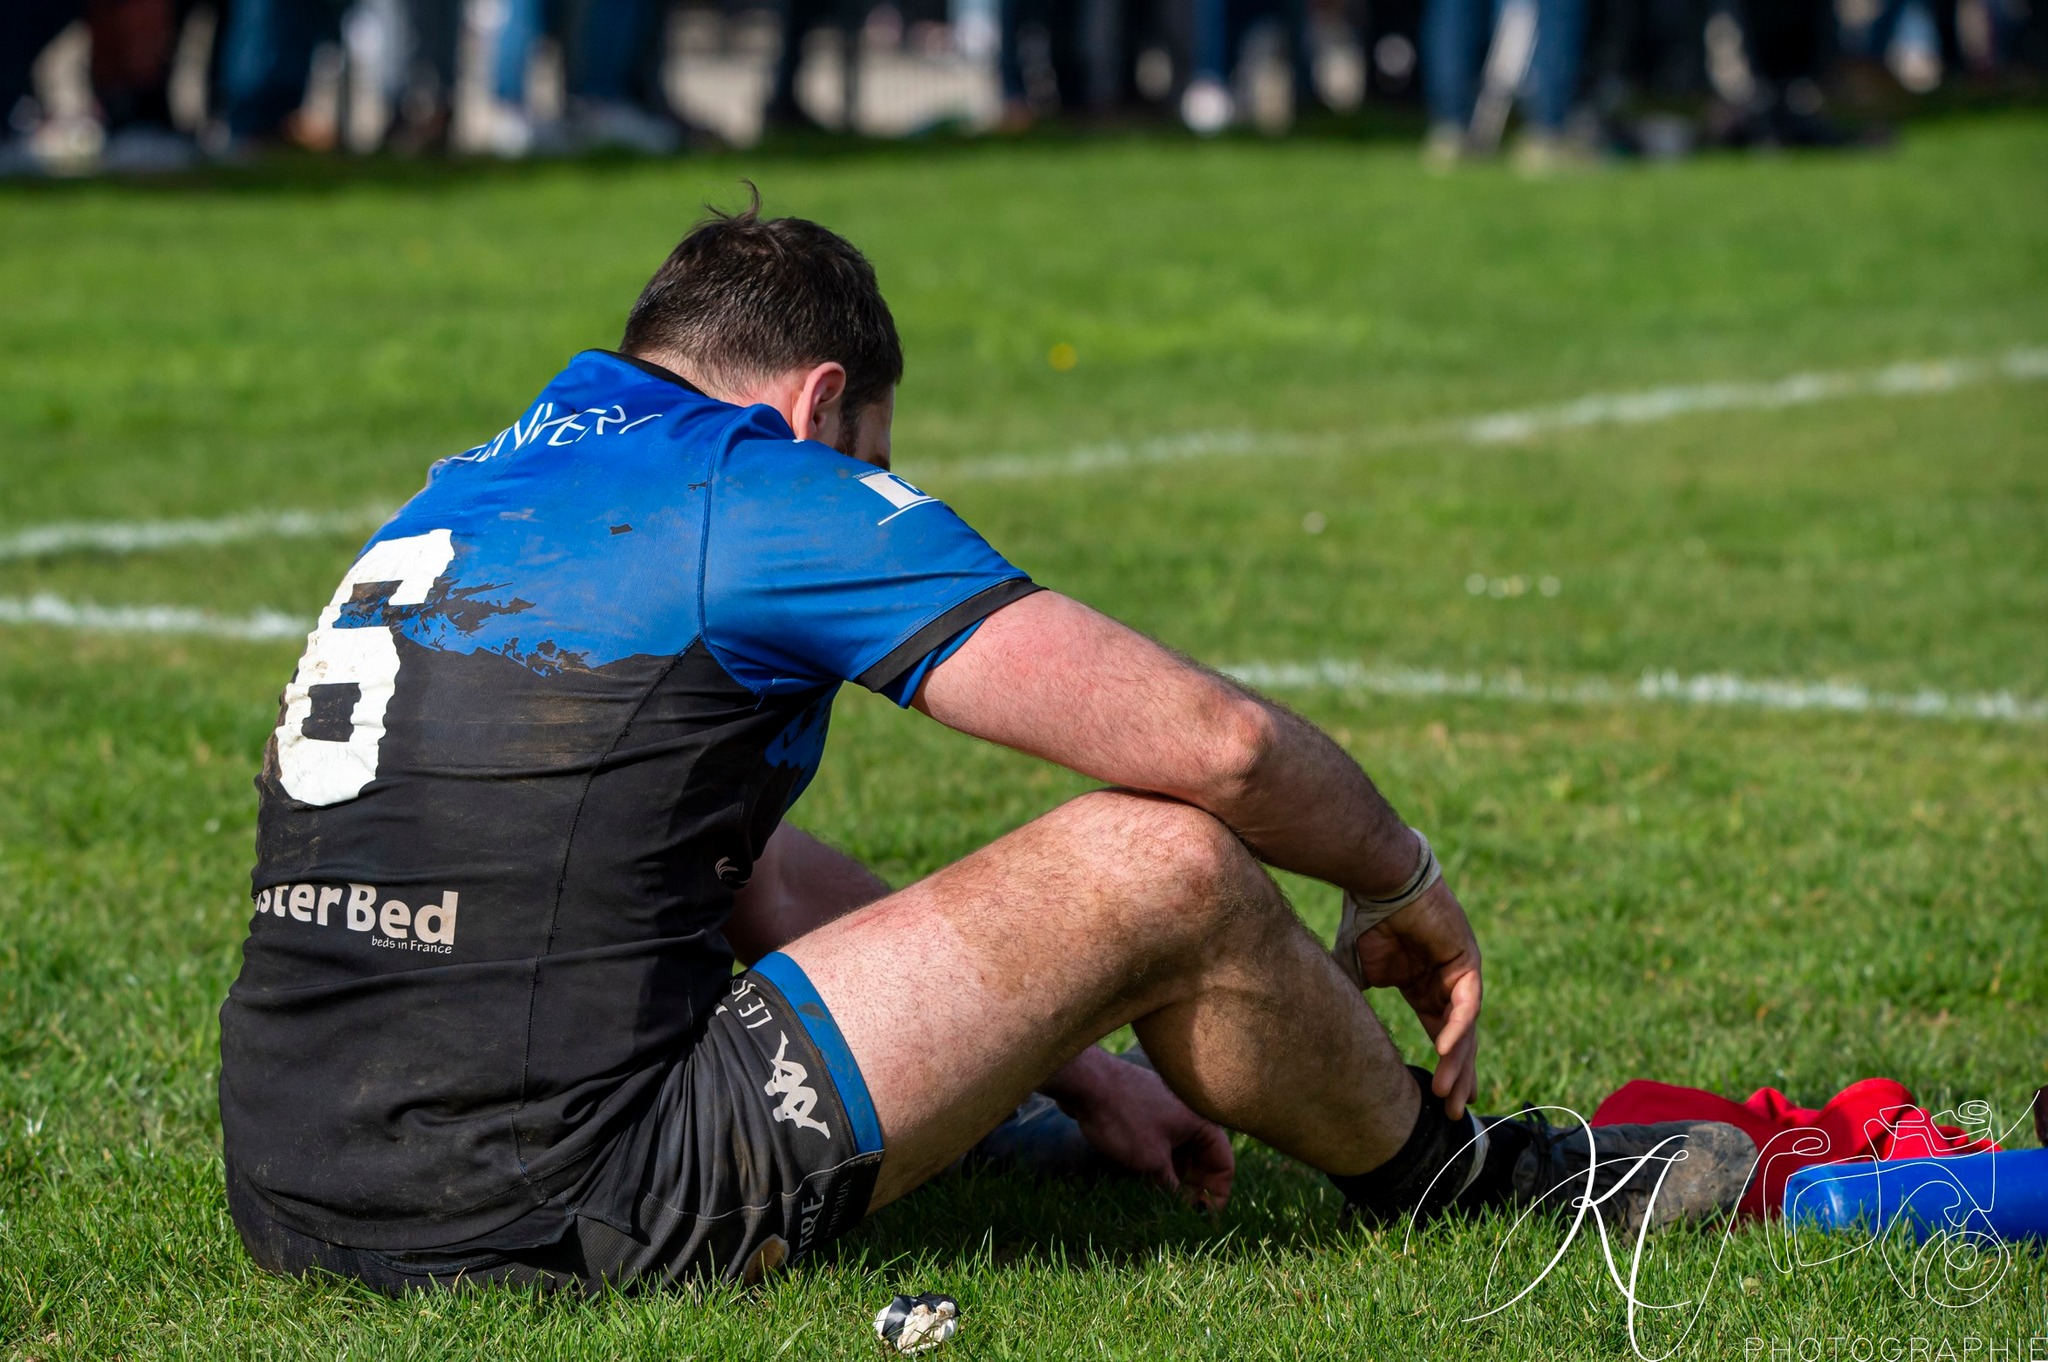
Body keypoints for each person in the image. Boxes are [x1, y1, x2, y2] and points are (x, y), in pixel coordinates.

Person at [218, 201, 1756, 1293]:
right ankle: (1465, 1181)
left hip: (295, 1172)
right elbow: (1214, 746)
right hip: (551, 1194)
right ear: (822, 406)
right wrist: (1399, 872)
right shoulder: (760, 486)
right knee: (1165, 859)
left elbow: (734, 870)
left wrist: (1076, 1069)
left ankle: (1022, 1124)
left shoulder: (463, 490)